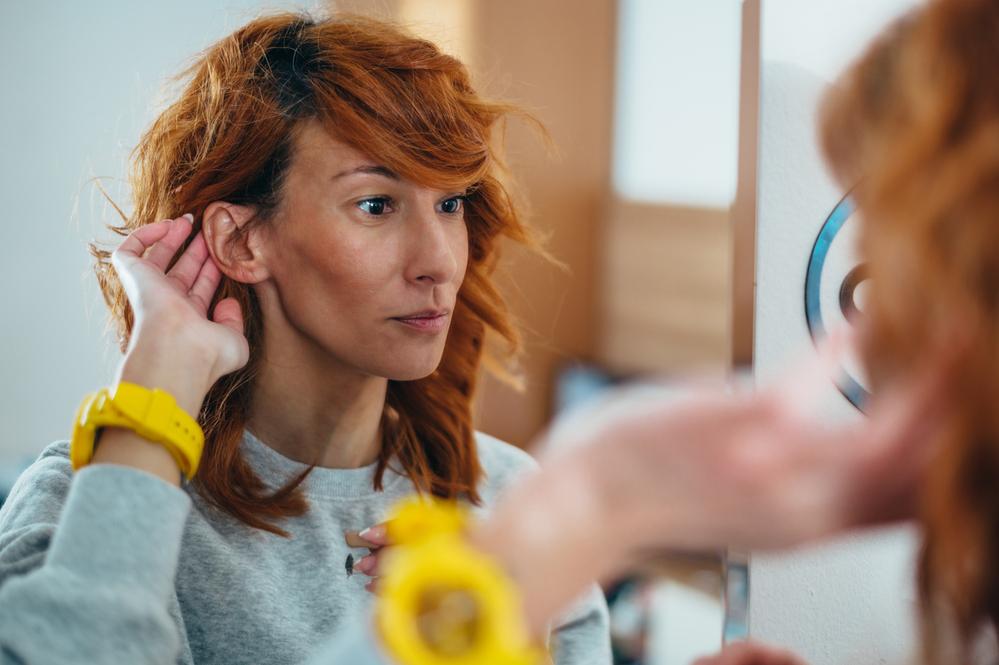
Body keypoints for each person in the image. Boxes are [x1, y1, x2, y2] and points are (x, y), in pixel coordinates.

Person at [0, 12, 609, 665]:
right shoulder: (85, 510)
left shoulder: (515, 507)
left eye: (451, 203)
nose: (438, 261)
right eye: (376, 204)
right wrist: (153, 380)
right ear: (241, 241)